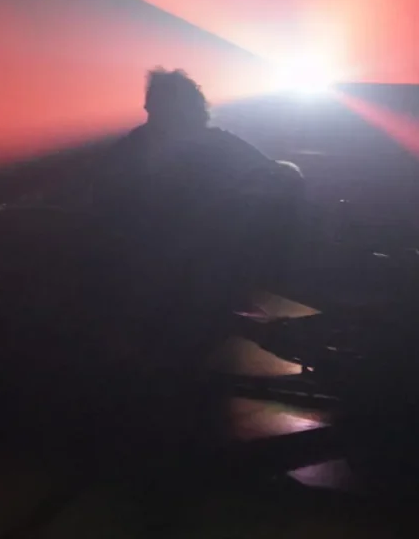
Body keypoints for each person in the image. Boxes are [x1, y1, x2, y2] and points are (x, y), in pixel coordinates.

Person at [77, 68, 304, 366]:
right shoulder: (134, 148)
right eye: (151, 102)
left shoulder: (212, 144)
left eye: (158, 102)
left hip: (187, 262)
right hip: (151, 261)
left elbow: (279, 174)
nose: (148, 109)